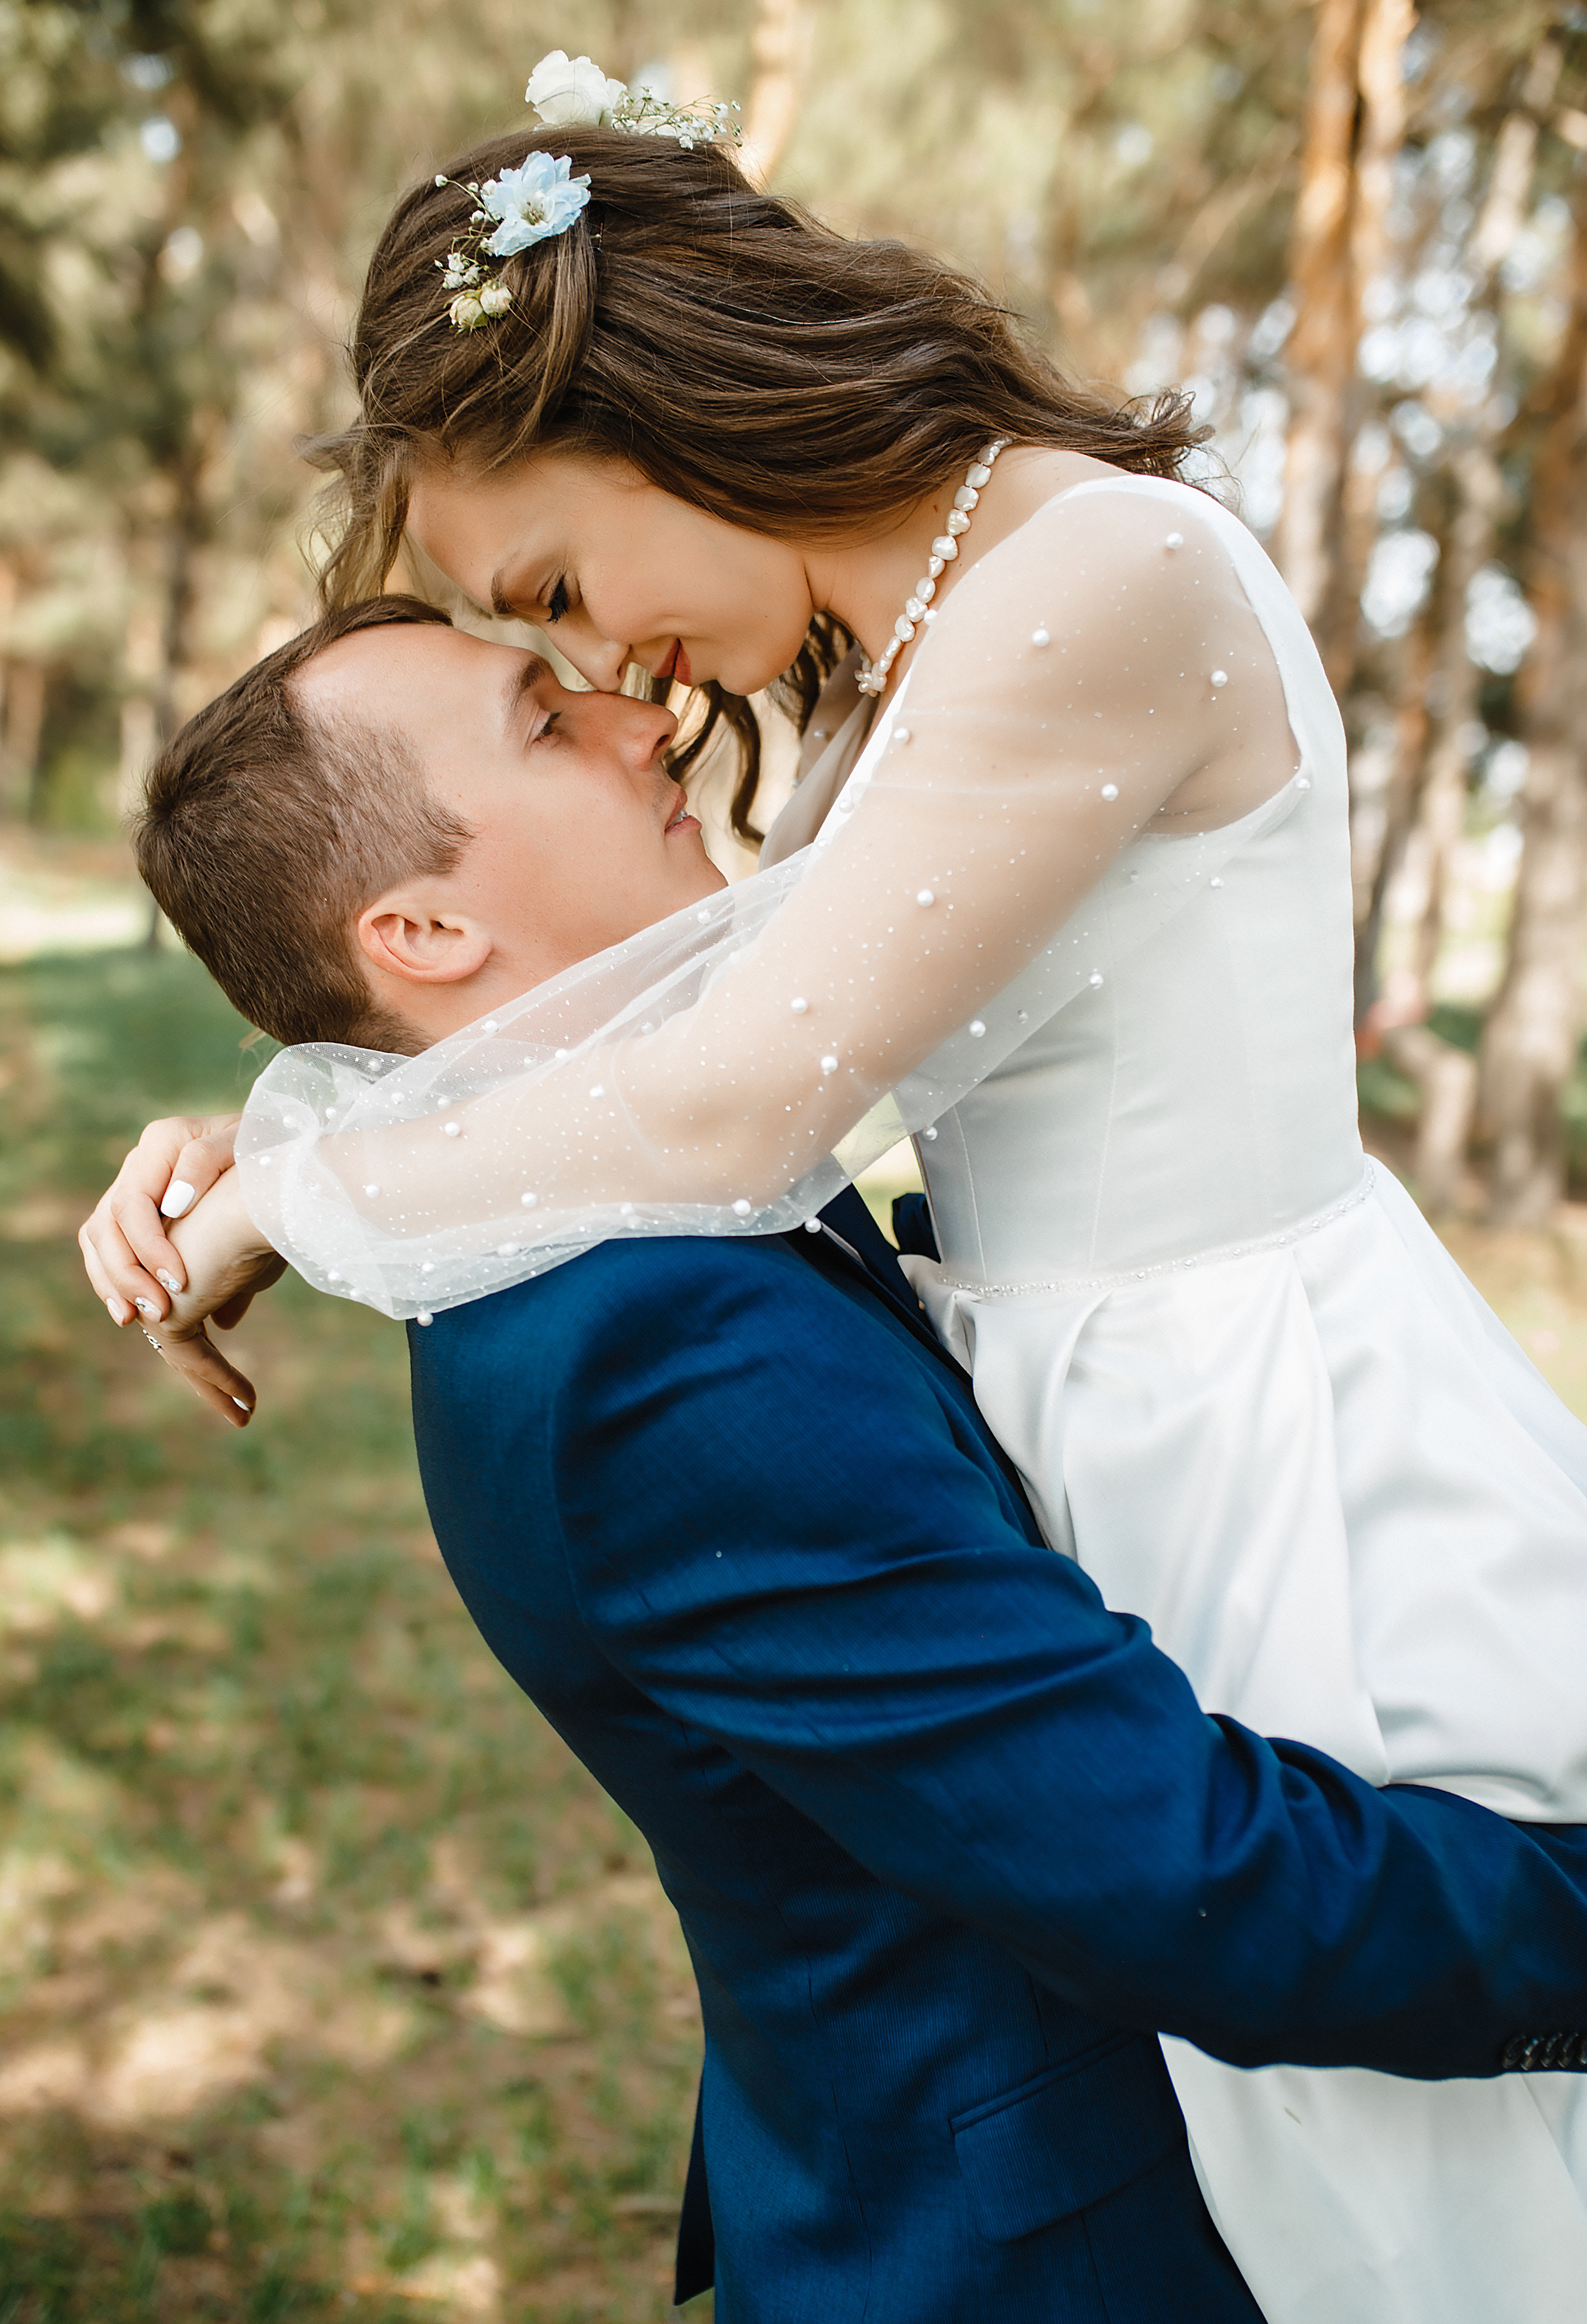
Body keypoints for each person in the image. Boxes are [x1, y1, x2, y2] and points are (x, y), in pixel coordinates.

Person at [80, 68, 1587, 2316]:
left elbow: (719, 1105)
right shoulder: (878, 666)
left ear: (665, 402)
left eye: (560, 590)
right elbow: (653, 1003)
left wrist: (313, 1175)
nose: (613, 680)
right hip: (1083, 1440)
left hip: (1259, 1441)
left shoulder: (1093, 576)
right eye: (541, 652)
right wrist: (301, 1109)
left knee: (1417, 2153)